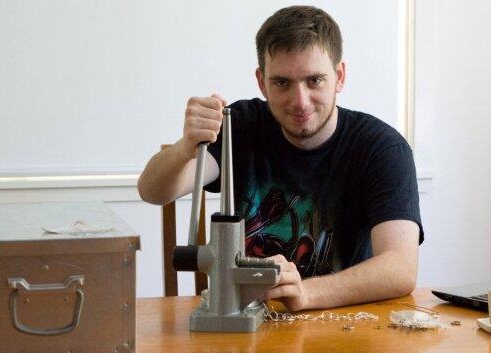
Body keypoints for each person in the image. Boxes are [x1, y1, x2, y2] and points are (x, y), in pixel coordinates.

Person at [138, 5, 424, 311]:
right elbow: (153, 191)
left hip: (343, 325)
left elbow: (400, 268)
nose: (300, 102)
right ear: (262, 82)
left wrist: (306, 293)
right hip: (244, 319)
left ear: (339, 76)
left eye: (314, 80)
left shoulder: (382, 148)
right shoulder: (240, 125)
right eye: (282, 83)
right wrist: (185, 146)